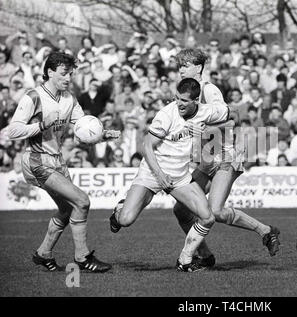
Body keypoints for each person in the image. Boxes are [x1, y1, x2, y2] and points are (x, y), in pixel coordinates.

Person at [7, 52, 120, 272]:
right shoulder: (33, 96)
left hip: (57, 160)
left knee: (67, 210)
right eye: (64, 73)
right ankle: (82, 257)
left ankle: (43, 253)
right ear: (50, 72)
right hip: (36, 160)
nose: (69, 78)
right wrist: (40, 125)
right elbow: (13, 130)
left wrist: (102, 134)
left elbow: (82, 131)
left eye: (71, 73)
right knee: (82, 201)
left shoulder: (69, 98)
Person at [170, 48, 281, 267]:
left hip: (225, 156)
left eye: (185, 65)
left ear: (198, 67)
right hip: (207, 160)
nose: (181, 69)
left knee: (216, 210)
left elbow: (234, 119)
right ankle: (205, 255)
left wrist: (206, 129)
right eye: (179, 66)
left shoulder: (209, 91)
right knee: (181, 209)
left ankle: (266, 231)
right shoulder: (187, 91)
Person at [109, 78, 230, 272]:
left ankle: (185, 259)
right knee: (125, 220)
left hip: (180, 177)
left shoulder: (208, 111)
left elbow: (235, 118)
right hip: (152, 172)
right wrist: (160, 175)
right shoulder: (166, 114)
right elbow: (146, 146)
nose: (179, 103)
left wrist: (209, 129)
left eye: (184, 100)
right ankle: (120, 209)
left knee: (208, 218)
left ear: (196, 100)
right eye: (177, 98)